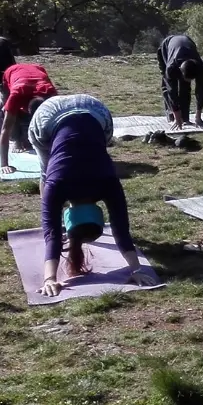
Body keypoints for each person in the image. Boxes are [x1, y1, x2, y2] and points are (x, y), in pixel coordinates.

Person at [33, 94, 156, 297]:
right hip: (58, 114)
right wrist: (136, 269)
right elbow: (121, 231)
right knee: (47, 170)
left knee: (52, 172)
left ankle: (48, 208)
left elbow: (53, 235)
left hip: (94, 111)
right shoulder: (67, 184)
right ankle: (48, 208)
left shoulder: (106, 183)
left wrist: (137, 270)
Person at [0, 62, 57, 174]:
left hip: (38, 69)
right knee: (6, 112)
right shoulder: (17, 95)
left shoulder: (51, 94)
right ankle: (16, 139)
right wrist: (4, 164)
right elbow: (5, 130)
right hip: (12, 71)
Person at [157, 33, 203, 128]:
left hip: (187, 44)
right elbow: (172, 91)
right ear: (180, 70)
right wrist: (177, 116)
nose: (189, 81)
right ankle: (172, 116)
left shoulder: (200, 67)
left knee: (185, 87)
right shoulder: (171, 67)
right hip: (166, 47)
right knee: (167, 86)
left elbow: (200, 91)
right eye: (187, 78)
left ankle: (185, 118)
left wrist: (198, 117)